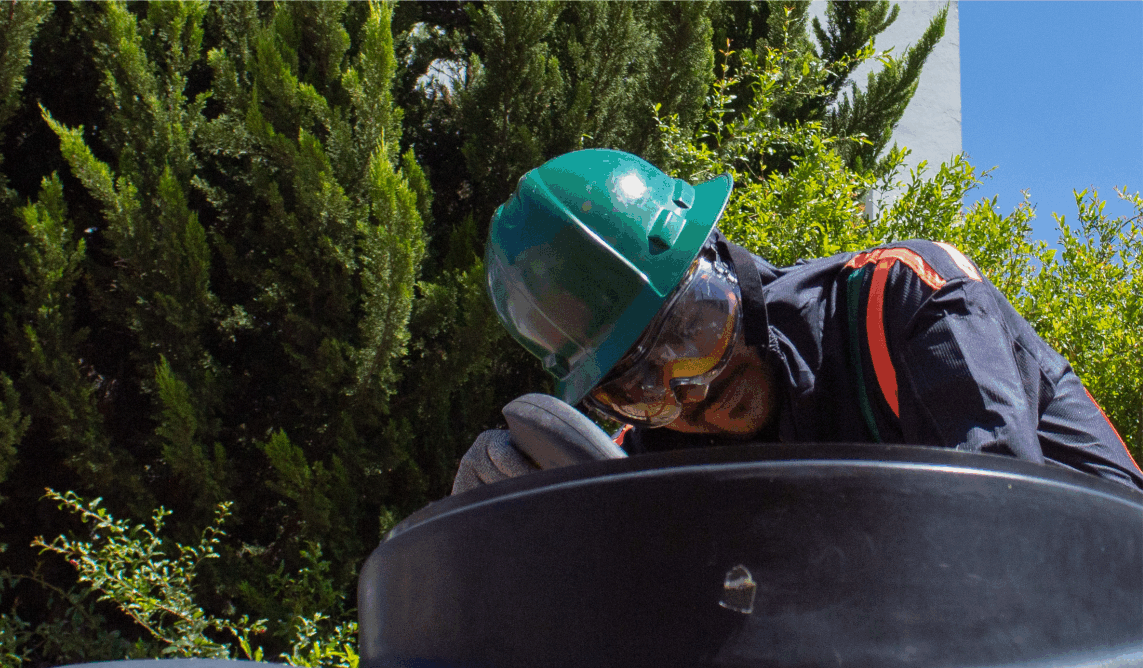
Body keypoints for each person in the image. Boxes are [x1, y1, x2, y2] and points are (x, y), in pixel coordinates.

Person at [456, 149, 1143, 492]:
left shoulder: (899, 302)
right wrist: (526, 543)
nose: (694, 391)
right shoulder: (653, 452)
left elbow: (1000, 522)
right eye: (641, 386)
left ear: (724, 265)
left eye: (692, 329)